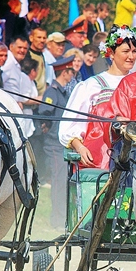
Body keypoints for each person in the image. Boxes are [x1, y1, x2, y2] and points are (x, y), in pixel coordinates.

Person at [58, 25, 136, 169]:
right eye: (126, 51)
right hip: (101, 157)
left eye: (134, 51)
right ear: (111, 53)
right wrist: (80, 147)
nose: (131, 56)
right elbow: (69, 125)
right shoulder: (92, 85)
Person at [39, 54, 80, 230]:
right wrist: (47, 127)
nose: (73, 75)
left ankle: (64, 219)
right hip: (54, 144)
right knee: (59, 183)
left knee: (64, 182)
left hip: (62, 144)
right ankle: (57, 221)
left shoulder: (62, 92)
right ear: (65, 72)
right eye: (71, 72)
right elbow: (44, 112)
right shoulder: (52, 91)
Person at [27, 26, 49, 97]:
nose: (42, 40)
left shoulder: (42, 55)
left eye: (44, 38)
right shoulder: (27, 56)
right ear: (31, 38)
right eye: (39, 37)